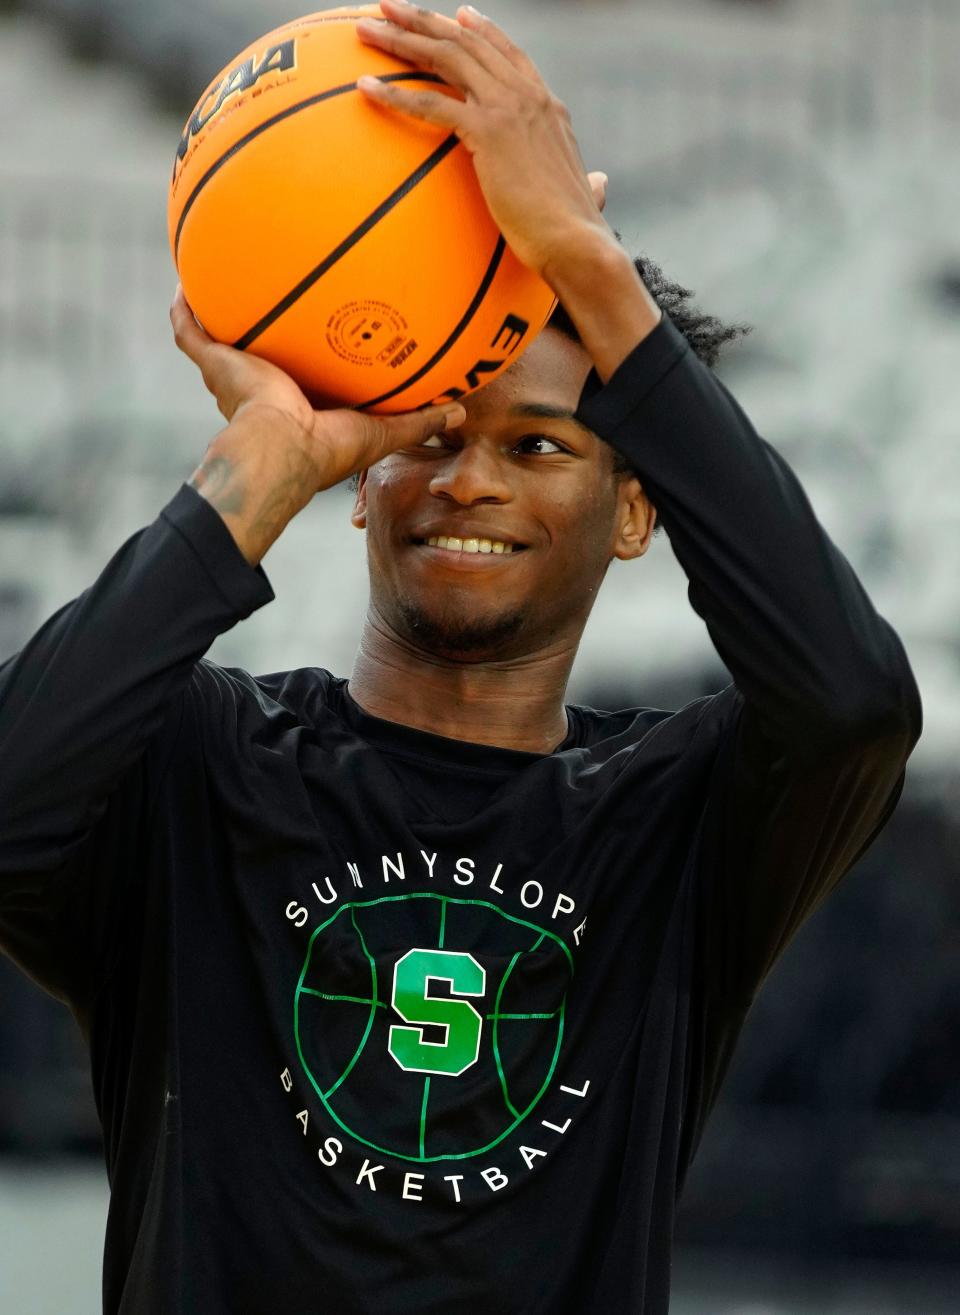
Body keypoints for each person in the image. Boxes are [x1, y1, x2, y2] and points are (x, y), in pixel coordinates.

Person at [0, 3, 922, 1313]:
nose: (470, 479)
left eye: (538, 446)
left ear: (637, 507)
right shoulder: (195, 770)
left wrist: (585, 268)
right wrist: (245, 488)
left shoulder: (673, 829)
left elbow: (854, 702)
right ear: (365, 483)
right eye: (431, 435)